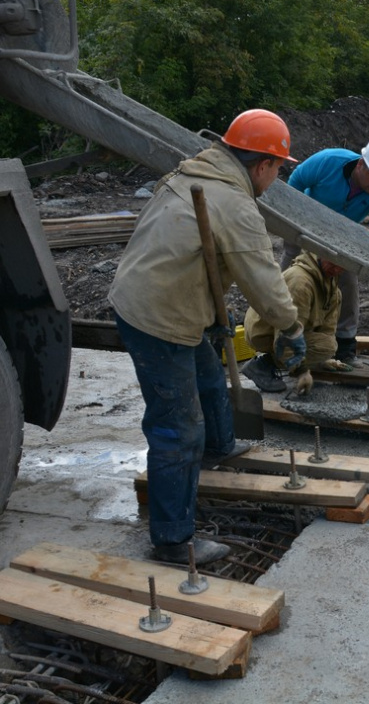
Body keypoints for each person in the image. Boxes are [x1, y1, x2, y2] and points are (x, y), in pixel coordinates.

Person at [109, 109, 307, 565]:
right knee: (177, 429)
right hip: (159, 317)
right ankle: (173, 541)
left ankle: (220, 446)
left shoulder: (193, 171)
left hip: (160, 296)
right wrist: (291, 327)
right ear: (261, 165)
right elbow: (265, 282)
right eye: (277, 169)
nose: (275, 178)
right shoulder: (235, 204)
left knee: (209, 376)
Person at [284, 136, 369, 365]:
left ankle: (345, 343)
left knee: (348, 279)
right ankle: (277, 331)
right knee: (290, 274)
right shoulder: (328, 161)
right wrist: (291, 220)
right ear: (360, 164)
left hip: (340, 239)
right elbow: (296, 181)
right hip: (303, 224)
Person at [241, 252, 349, 394]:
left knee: (327, 347)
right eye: (333, 264)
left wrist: (321, 360)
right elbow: (286, 330)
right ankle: (263, 365)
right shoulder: (300, 283)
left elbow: (326, 331)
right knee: (327, 346)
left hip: (289, 330)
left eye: (341, 267)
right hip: (264, 332)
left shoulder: (332, 288)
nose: (336, 270)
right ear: (320, 253)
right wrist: (301, 371)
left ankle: (275, 361)